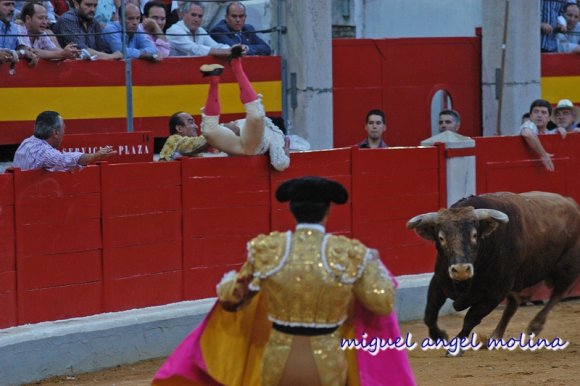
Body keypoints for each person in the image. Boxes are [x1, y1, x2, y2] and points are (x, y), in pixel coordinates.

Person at [153, 176, 415, 386]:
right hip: (327, 358)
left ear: (291, 209)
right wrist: (375, 262)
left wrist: (236, 284)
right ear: (328, 211)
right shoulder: (350, 253)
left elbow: (231, 298)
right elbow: (382, 302)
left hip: (278, 355)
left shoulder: (268, 249)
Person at [199, 47, 290, 171]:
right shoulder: (276, 134)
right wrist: (286, 151)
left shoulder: (245, 123)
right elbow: (280, 164)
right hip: (250, 148)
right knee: (256, 117)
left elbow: (232, 128)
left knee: (210, 130)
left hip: (237, 146)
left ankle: (215, 79)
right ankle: (236, 65)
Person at [13, 111, 116, 172]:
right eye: (63, 129)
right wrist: (94, 156)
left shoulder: (26, 142)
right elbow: (63, 159)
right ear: (55, 133)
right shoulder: (43, 153)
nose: (64, 134)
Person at [54, 0, 123, 60]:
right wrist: (111, 56)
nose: (92, 9)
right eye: (88, 5)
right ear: (76, 4)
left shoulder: (94, 22)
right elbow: (81, 50)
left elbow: (101, 50)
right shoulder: (67, 20)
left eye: (95, 5)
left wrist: (106, 56)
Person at [166, 1, 234, 57]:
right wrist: (224, 51)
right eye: (193, 15)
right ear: (183, 15)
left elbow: (216, 46)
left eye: (200, 16)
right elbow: (194, 49)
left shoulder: (200, 30)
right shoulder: (174, 30)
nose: (197, 19)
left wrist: (233, 49)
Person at [520, 99, 565, 172]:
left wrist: (559, 131)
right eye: (536, 112)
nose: (539, 115)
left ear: (549, 118)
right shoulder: (529, 125)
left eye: (543, 112)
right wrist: (543, 154)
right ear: (531, 116)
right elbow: (527, 134)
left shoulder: (550, 132)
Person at [0, 0, 38, 65]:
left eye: (13, 5)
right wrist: (23, 52)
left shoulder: (14, 27)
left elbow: (18, 47)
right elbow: (3, 55)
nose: (12, 9)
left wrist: (25, 49)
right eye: (7, 4)